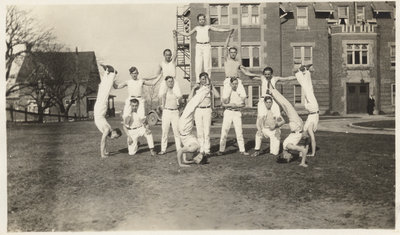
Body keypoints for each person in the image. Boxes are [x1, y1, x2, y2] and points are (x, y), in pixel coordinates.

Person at [176, 14, 232, 83]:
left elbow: (217, 29)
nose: (201, 21)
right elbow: (187, 34)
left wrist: (227, 30)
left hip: (206, 45)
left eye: (203, 19)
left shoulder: (207, 27)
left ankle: (208, 79)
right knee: (198, 63)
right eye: (200, 20)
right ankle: (198, 80)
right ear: (198, 21)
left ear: (204, 20)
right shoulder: (197, 28)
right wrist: (178, 32)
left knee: (207, 63)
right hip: (199, 45)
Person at [281, 64, 319, 157]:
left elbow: (306, 142)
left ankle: (306, 71)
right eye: (305, 136)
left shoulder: (305, 130)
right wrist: (313, 153)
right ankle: (301, 72)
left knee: (307, 89)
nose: (303, 136)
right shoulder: (309, 129)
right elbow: (313, 140)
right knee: (308, 89)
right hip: (314, 108)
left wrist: (304, 151)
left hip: (310, 109)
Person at [268, 84, 309, 167]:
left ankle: (272, 91)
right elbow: (302, 147)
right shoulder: (287, 147)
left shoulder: (288, 146)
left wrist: (303, 162)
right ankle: (272, 91)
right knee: (285, 105)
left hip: (296, 125)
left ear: (285, 156)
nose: (291, 157)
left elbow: (303, 150)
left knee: (286, 105)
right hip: (297, 126)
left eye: (289, 158)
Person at [177, 84, 212, 167]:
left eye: (197, 160)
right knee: (192, 105)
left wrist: (185, 160)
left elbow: (183, 148)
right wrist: (181, 164)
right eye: (198, 159)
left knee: (192, 105)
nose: (196, 159)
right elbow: (180, 151)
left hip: (184, 129)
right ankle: (205, 89)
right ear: (200, 156)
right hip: (184, 128)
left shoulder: (195, 148)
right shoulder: (194, 148)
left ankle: (204, 90)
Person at [94, 65, 122, 158]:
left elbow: (105, 140)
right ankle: (113, 73)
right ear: (114, 132)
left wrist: (105, 152)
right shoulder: (107, 129)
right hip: (99, 110)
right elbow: (103, 141)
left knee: (102, 89)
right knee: (104, 91)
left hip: (100, 111)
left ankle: (107, 72)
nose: (114, 139)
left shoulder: (108, 130)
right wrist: (102, 154)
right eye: (116, 137)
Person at [189, 72, 220, 157]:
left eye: (205, 78)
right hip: (198, 110)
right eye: (202, 79)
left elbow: (217, 96)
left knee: (207, 131)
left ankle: (207, 150)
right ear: (200, 80)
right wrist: (193, 89)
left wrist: (212, 86)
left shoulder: (209, 88)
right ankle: (201, 149)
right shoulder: (197, 88)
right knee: (199, 132)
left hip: (207, 110)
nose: (204, 80)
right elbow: (189, 99)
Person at [217, 77, 249, 156]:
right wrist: (230, 104)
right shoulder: (227, 92)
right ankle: (221, 150)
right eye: (233, 84)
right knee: (224, 131)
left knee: (239, 132)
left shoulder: (240, 92)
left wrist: (236, 105)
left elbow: (243, 104)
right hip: (228, 112)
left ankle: (242, 150)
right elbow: (223, 104)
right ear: (230, 84)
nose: (235, 85)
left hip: (237, 113)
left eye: (236, 84)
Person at [149, 31, 182, 107]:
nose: (168, 56)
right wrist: (146, 79)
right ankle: (163, 109)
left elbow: (176, 50)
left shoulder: (173, 62)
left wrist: (174, 38)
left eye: (169, 55)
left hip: (173, 80)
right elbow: (156, 75)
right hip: (165, 81)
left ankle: (177, 107)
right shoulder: (161, 64)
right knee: (161, 96)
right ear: (164, 55)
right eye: (167, 55)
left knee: (179, 96)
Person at [221, 29, 250, 103]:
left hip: (236, 80)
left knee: (243, 96)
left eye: (234, 52)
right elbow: (225, 47)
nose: (233, 54)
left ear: (236, 53)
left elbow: (245, 72)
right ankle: (228, 108)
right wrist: (229, 36)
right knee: (225, 98)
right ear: (229, 53)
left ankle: (237, 105)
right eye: (231, 52)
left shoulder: (238, 62)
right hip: (228, 80)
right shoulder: (226, 59)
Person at [158, 76, 183, 155]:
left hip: (175, 113)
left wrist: (178, 107)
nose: (171, 83)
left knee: (177, 132)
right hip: (167, 112)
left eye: (172, 81)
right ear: (166, 83)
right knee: (165, 132)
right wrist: (164, 110)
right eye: (169, 81)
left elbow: (180, 104)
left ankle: (179, 149)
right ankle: (163, 149)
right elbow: (161, 105)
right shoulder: (164, 93)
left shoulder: (177, 93)